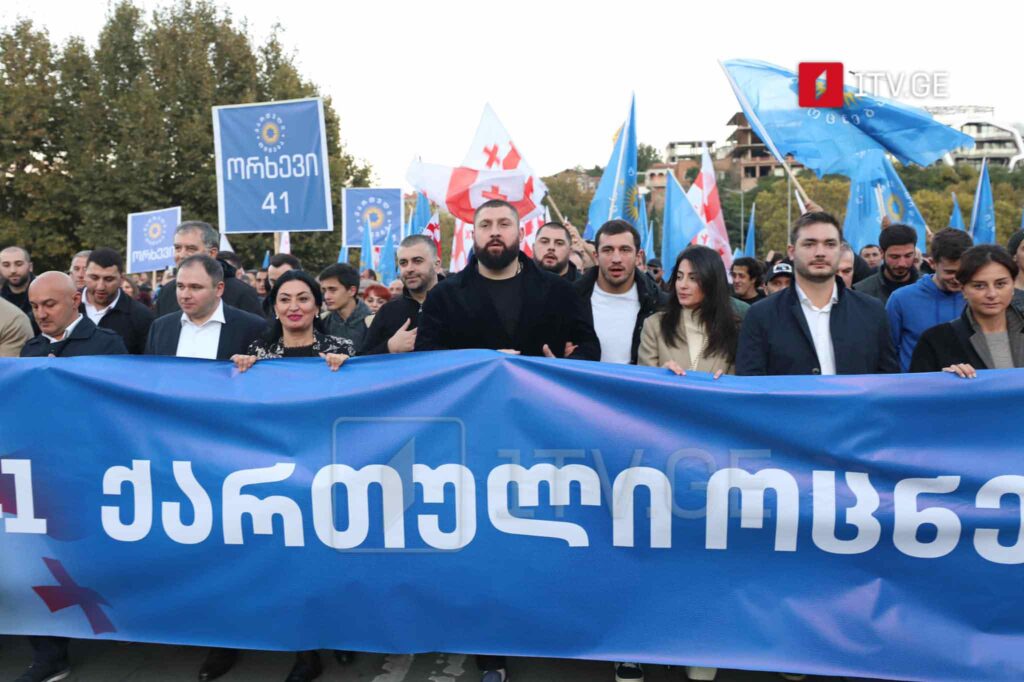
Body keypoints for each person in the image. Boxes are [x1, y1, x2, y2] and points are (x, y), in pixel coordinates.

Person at [18, 272, 127, 682]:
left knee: (88, 562)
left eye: (50, 305)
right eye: (35, 307)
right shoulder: (29, 349)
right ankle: (48, 653)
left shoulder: (106, 345)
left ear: (74, 301)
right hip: (41, 473)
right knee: (37, 563)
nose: (41, 314)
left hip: (92, 472)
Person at [416, 199, 599, 364]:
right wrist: (484, 361)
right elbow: (426, 356)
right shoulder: (443, 296)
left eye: (504, 224)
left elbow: (589, 347)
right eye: (485, 225)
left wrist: (562, 367)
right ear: (473, 235)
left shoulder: (560, 291)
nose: (494, 232)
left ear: (520, 233)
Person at [737, 211, 898, 376]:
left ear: (840, 249)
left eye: (829, 244)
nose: (820, 252)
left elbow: (887, 383)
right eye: (809, 244)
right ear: (791, 252)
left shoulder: (872, 311)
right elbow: (751, 386)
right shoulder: (761, 315)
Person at [910, 245, 1024, 376]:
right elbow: (919, 391)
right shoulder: (936, 341)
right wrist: (944, 380)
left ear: (1013, 285)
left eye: (1000, 284)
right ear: (963, 289)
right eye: (979, 286)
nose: (992, 294)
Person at [640, 244, 743, 379]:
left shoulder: (734, 329)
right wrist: (660, 376)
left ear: (711, 281)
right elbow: (643, 384)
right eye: (679, 277)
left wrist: (727, 383)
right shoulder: (654, 325)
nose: (683, 285)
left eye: (693, 278)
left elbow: (740, 385)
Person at [574, 219, 666, 365]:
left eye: (625, 250)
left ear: (638, 257)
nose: (616, 259)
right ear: (596, 257)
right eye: (608, 250)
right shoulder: (570, 299)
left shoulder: (660, 305)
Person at [145, 255, 267, 360]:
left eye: (195, 287)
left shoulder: (251, 327)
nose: (185, 295)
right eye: (180, 286)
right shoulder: (160, 328)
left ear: (219, 289)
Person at [887, 228, 973, 371]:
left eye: (962, 272)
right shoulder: (901, 299)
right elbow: (888, 352)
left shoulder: (976, 298)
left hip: (967, 388)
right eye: (949, 272)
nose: (957, 279)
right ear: (932, 263)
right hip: (917, 389)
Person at [233, 269, 353, 371]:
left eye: (303, 299)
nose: (294, 307)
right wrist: (240, 367)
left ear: (317, 307)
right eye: (285, 300)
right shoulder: (259, 352)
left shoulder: (340, 349)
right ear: (275, 308)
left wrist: (347, 367)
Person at [155, 221, 263, 318]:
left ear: (212, 253)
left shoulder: (241, 293)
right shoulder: (167, 292)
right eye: (178, 248)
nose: (182, 255)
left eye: (191, 249)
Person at [361, 234, 441, 356]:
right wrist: (390, 347)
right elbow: (364, 359)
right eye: (403, 263)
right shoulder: (387, 311)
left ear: (436, 264)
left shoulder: (458, 302)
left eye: (417, 261)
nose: (409, 269)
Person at [78, 248, 154, 355]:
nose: (100, 287)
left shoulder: (141, 316)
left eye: (108, 279)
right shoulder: (67, 305)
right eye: (94, 278)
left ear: (121, 279)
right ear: (85, 274)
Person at [853, 225, 919, 305]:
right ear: (881, 253)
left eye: (908, 256)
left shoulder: (931, 286)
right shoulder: (861, 292)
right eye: (895, 257)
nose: (902, 263)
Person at [319, 263, 371, 349]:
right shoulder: (321, 322)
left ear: (351, 291)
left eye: (333, 290)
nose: (326, 296)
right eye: (324, 290)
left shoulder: (372, 323)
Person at [1, 245, 37, 332]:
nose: (13, 270)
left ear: (30, 266)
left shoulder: (45, 291)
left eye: (19, 264)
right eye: (6, 265)